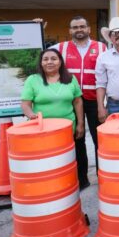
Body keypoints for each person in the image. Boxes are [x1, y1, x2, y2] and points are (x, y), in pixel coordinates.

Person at [52, 16, 106, 189]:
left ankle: (103, 177)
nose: (79, 30)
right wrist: (36, 27)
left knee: (100, 140)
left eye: (82, 26)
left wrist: (103, 103)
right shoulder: (60, 48)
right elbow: (40, 54)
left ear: (89, 29)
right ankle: (82, 179)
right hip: (71, 100)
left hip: (94, 99)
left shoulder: (101, 47)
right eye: (75, 27)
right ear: (70, 31)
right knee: (77, 139)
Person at [21, 50, 86, 189]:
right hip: (43, 131)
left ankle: (69, 185)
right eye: (45, 59)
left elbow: (78, 101)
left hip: (68, 129)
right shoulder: (33, 80)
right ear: (41, 63)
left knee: (67, 159)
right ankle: (50, 187)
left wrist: (81, 123)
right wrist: (31, 115)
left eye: (53, 59)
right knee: (47, 161)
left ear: (60, 61)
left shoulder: (70, 78)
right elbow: (25, 104)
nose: (49, 62)